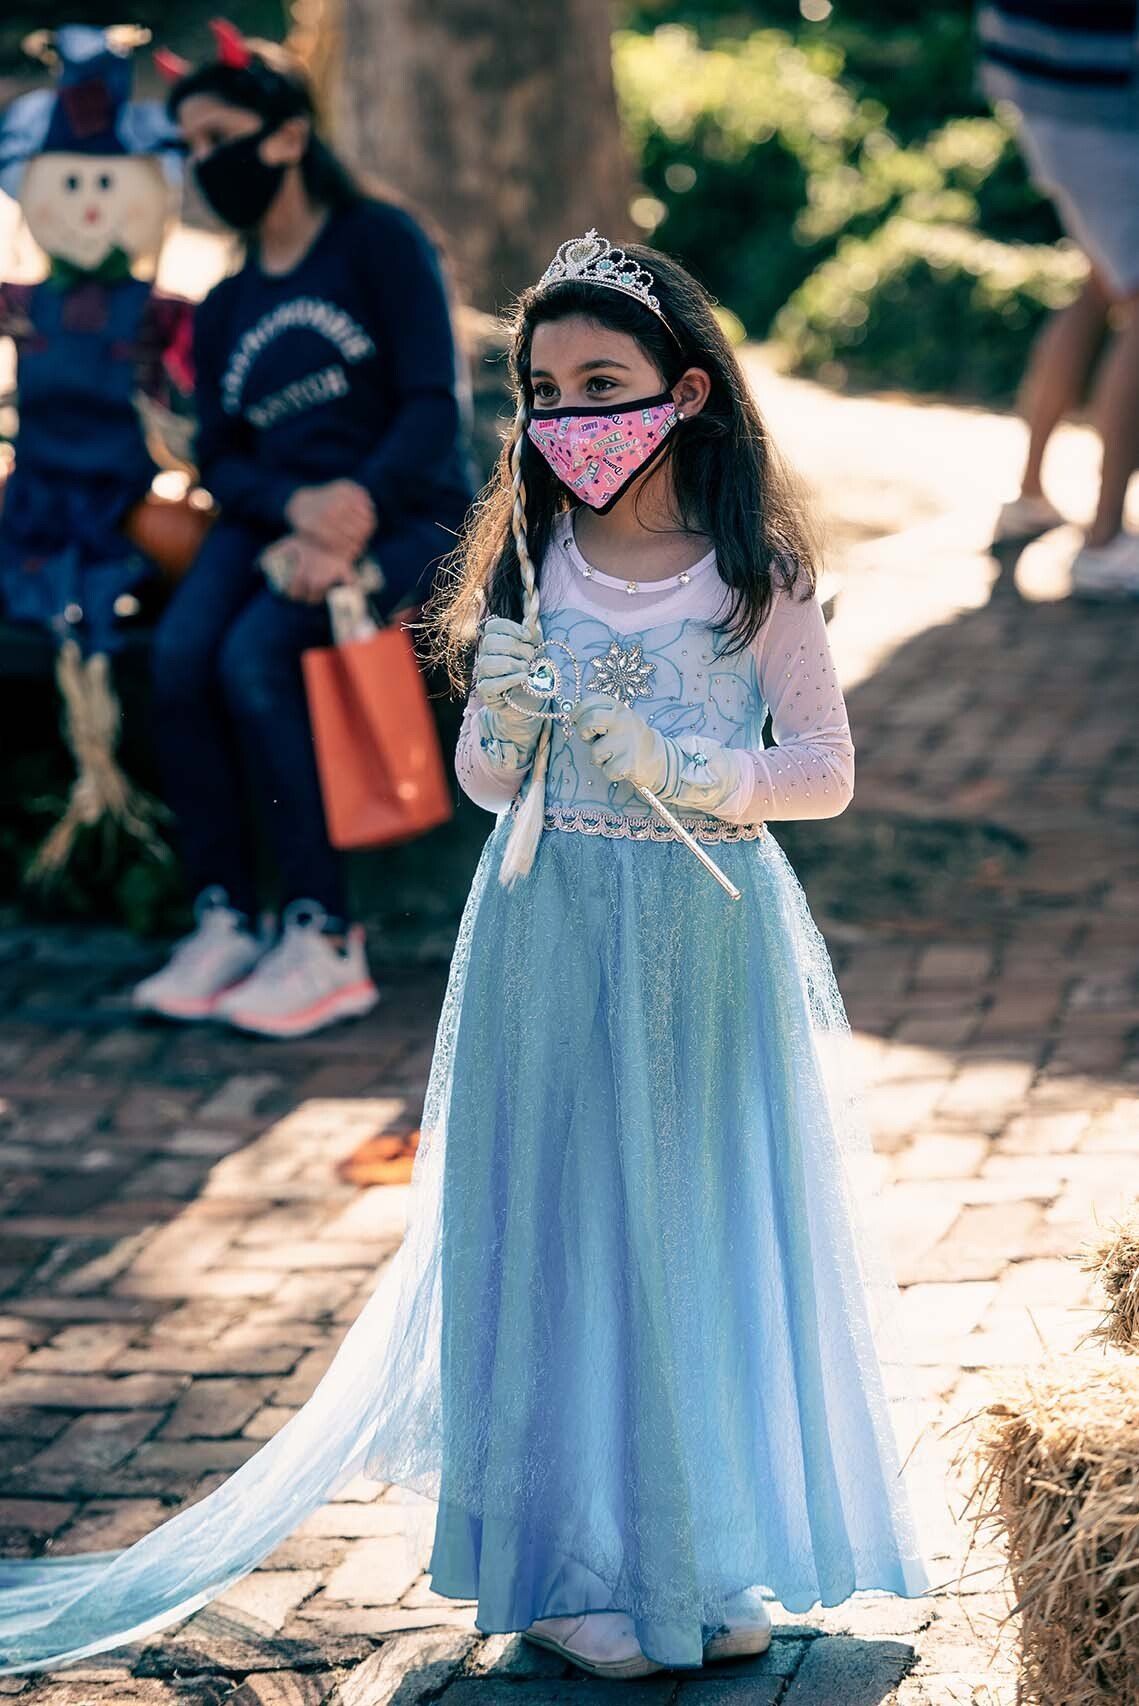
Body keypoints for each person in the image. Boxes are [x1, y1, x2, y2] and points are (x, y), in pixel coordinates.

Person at [0, 232, 926, 1681]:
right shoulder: (538, 555)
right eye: (542, 390)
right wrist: (501, 721)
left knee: (688, 1234)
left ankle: (705, 1551)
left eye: (599, 383)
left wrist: (689, 764)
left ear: (684, 393)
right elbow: (491, 780)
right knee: (562, 1229)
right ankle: (571, 1560)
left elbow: (821, 770)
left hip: (701, 937)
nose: (566, 419)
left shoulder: (756, 569)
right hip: (548, 929)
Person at [132, 26, 473, 1035]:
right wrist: (291, 513)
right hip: (278, 519)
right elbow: (223, 454)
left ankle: (325, 937)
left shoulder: (379, 243)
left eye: (218, 135)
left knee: (255, 654)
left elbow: (428, 403)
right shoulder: (231, 301)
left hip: (404, 509)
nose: (202, 162)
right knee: (181, 652)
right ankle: (227, 916)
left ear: (284, 138)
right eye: (187, 146)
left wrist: (350, 512)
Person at [980, 0, 1139, 599]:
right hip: (1097, 98)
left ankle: (1030, 496)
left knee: (1102, 280)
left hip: (1042, 83)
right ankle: (1103, 544)